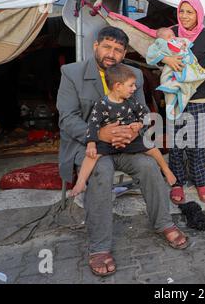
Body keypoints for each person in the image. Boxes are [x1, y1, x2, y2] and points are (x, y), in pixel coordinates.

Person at [57, 26, 189, 277]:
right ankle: (99, 247)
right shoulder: (72, 73)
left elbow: (141, 112)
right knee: (100, 171)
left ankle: (163, 222)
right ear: (95, 46)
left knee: (149, 166)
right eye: (107, 46)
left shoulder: (134, 75)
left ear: (124, 53)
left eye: (118, 50)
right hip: (91, 145)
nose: (111, 53)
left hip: (127, 144)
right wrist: (98, 134)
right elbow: (67, 118)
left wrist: (130, 131)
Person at [68, 64, 176, 197]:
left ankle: (166, 170)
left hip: (130, 139)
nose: (134, 88)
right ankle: (81, 182)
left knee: (152, 149)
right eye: (131, 85)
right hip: (109, 141)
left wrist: (139, 124)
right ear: (118, 86)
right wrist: (91, 143)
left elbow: (144, 114)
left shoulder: (131, 102)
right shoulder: (102, 104)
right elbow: (93, 124)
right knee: (91, 156)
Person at [162, 0, 205, 205]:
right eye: (182, 11)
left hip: (198, 97)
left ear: (198, 14)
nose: (184, 16)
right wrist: (167, 59)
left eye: (190, 12)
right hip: (174, 96)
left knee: (196, 144)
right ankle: (176, 183)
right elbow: (154, 52)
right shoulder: (171, 32)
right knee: (175, 144)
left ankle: (200, 181)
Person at [146, 27, 205, 120]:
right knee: (170, 89)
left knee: (185, 87)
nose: (172, 37)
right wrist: (165, 58)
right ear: (160, 40)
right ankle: (170, 107)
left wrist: (183, 45)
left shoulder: (180, 41)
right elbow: (152, 54)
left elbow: (186, 48)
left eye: (173, 35)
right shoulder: (162, 45)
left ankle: (179, 103)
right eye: (169, 36)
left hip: (188, 77)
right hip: (171, 73)